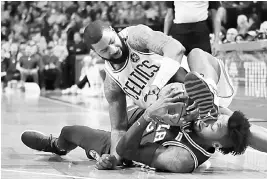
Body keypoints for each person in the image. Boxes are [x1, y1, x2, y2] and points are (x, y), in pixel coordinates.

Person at [21, 82, 267, 174]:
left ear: (221, 142)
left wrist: (149, 117)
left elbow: (125, 150)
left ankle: (65, 146)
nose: (210, 118)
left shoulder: (181, 160)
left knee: (73, 131)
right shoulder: (207, 120)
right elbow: (241, 127)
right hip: (136, 124)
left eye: (215, 124)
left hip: (123, 149)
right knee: (65, 132)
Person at [82, 20, 235, 167]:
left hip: (193, 91)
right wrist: (115, 158)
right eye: (104, 50)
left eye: (111, 42)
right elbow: (118, 128)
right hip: (172, 116)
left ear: (113, 31)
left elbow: (176, 48)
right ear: (94, 53)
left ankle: (210, 95)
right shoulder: (111, 83)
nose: (114, 50)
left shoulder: (136, 36)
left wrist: (155, 87)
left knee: (240, 128)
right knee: (177, 161)